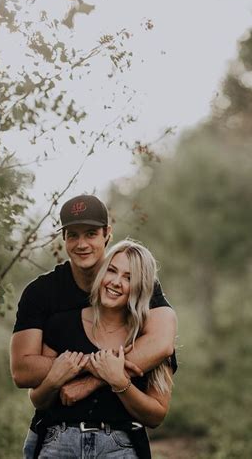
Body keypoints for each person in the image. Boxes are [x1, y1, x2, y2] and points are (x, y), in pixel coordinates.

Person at [10, 195, 177, 458]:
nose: (82, 244)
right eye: (73, 235)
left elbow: (163, 344)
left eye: (91, 233)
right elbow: (22, 372)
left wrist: (95, 380)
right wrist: (92, 363)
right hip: (57, 436)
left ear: (107, 234)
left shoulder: (140, 293)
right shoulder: (43, 296)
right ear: (63, 238)